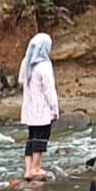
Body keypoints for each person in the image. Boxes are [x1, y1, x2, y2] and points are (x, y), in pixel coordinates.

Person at [19, 33, 59, 182]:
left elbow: (20, 80)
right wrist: (55, 109)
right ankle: (36, 168)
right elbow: (49, 90)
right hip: (42, 109)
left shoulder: (26, 62)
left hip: (29, 108)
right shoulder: (44, 66)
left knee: (31, 138)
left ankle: (28, 169)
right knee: (42, 138)